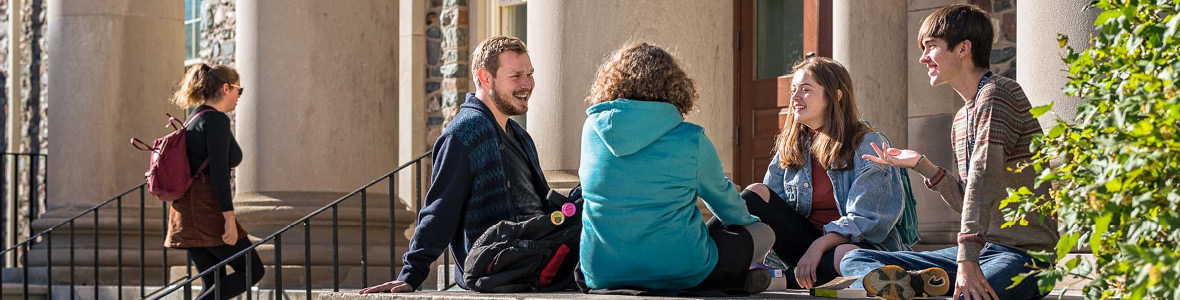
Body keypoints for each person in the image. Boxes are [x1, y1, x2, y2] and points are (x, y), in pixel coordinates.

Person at [843, 4, 1059, 300]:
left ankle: (919, 287)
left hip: (1025, 258)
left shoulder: (999, 94)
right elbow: (967, 198)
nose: (922, 58)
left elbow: (983, 182)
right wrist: (922, 164)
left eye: (930, 47)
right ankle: (918, 285)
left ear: (962, 49)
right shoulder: (961, 119)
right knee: (852, 260)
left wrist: (967, 259)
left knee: (970, 297)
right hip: (982, 250)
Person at [577, 42, 775, 295]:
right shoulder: (691, 138)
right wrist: (747, 226)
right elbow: (728, 207)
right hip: (679, 270)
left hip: (602, 271)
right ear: (675, 87)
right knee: (763, 233)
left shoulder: (591, 130)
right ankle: (731, 275)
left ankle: (729, 276)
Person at [360, 36, 553, 293]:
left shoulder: (519, 135)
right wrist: (411, 274)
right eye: (516, 75)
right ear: (486, 78)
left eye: (529, 74)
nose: (527, 84)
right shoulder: (464, 134)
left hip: (537, 266)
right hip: (498, 273)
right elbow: (440, 210)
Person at [743, 56, 918, 290]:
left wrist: (819, 247)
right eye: (793, 90)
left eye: (805, 90)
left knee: (846, 256)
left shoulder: (866, 143)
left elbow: (867, 220)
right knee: (757, 193)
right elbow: (773, 213)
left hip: (853, 248)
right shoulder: (793, 145)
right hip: (804, 250)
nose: (795, 98)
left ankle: (901, 280)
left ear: (835, 96)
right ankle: (701, 257)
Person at [164, 63, 264, 300]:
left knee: (214, 282)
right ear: (226, 88)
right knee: (252, 270)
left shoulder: (194, 118)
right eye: (238, 90)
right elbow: (219, 172)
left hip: (185, 210)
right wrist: (229, 219)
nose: (239, 97)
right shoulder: (216, 121)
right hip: (205, 209)